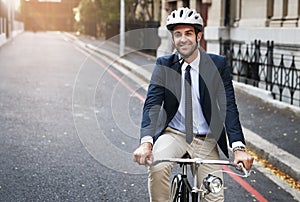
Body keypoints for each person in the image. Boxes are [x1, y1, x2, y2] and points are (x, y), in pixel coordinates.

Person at [133, 7, 254, 202]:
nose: (183, 39)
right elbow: (152, 105)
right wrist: (146, 143)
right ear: (173, 38)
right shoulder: (164, 65)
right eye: (177, 34)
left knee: (214, 196)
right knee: (157, 166)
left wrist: (238, 148)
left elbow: (228, 107)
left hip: (206, 138)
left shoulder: (217, 65)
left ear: (199, 36)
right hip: (175, 133)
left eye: (188, 33)